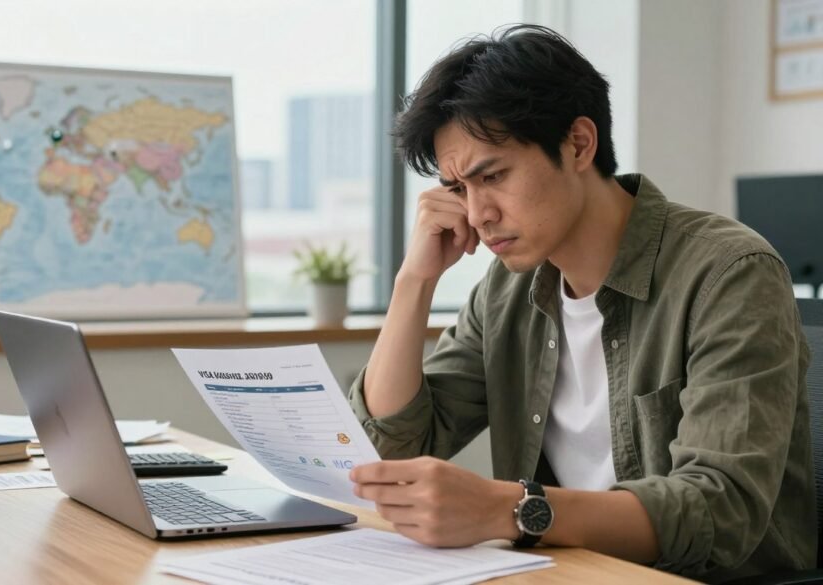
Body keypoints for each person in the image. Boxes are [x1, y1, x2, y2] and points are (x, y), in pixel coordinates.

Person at [347, 24, 815, 582]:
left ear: (578, 144)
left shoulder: (728, 274)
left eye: (491, 176)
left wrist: (507, 508)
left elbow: (719, 509)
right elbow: (388, 452)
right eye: (458, 190)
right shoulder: (506, 290)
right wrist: (414, 281)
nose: (476, 215)